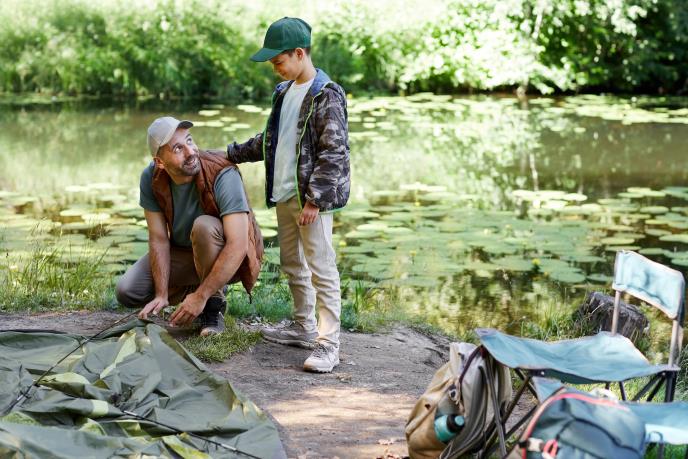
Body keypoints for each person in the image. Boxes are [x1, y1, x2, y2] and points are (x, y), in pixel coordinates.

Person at [226, 17, 350, 373]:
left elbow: (334, 152)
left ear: (299, 53)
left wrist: (315, 200)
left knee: (321, 268)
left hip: (310, 200)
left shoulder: (326, 94)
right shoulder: (283, 92)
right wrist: (231, 154)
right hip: (284, 193)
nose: (275, 69)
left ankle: (328, 344)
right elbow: (270, 141)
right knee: (293, 263)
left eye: (278, 61)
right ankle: (303, 326)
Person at [115, 116, 262, 335]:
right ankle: (197, 289)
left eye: (190, 141)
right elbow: (159, 238)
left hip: (229, 254)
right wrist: (161, 294)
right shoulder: (151, 177)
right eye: (178, 148)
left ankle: (212, 306)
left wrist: (201, 297)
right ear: (160, 162)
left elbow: (238, 244)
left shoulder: (222, 172)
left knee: (204, 227)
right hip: (185, 253)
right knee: (128, 290)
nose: (191, 152)